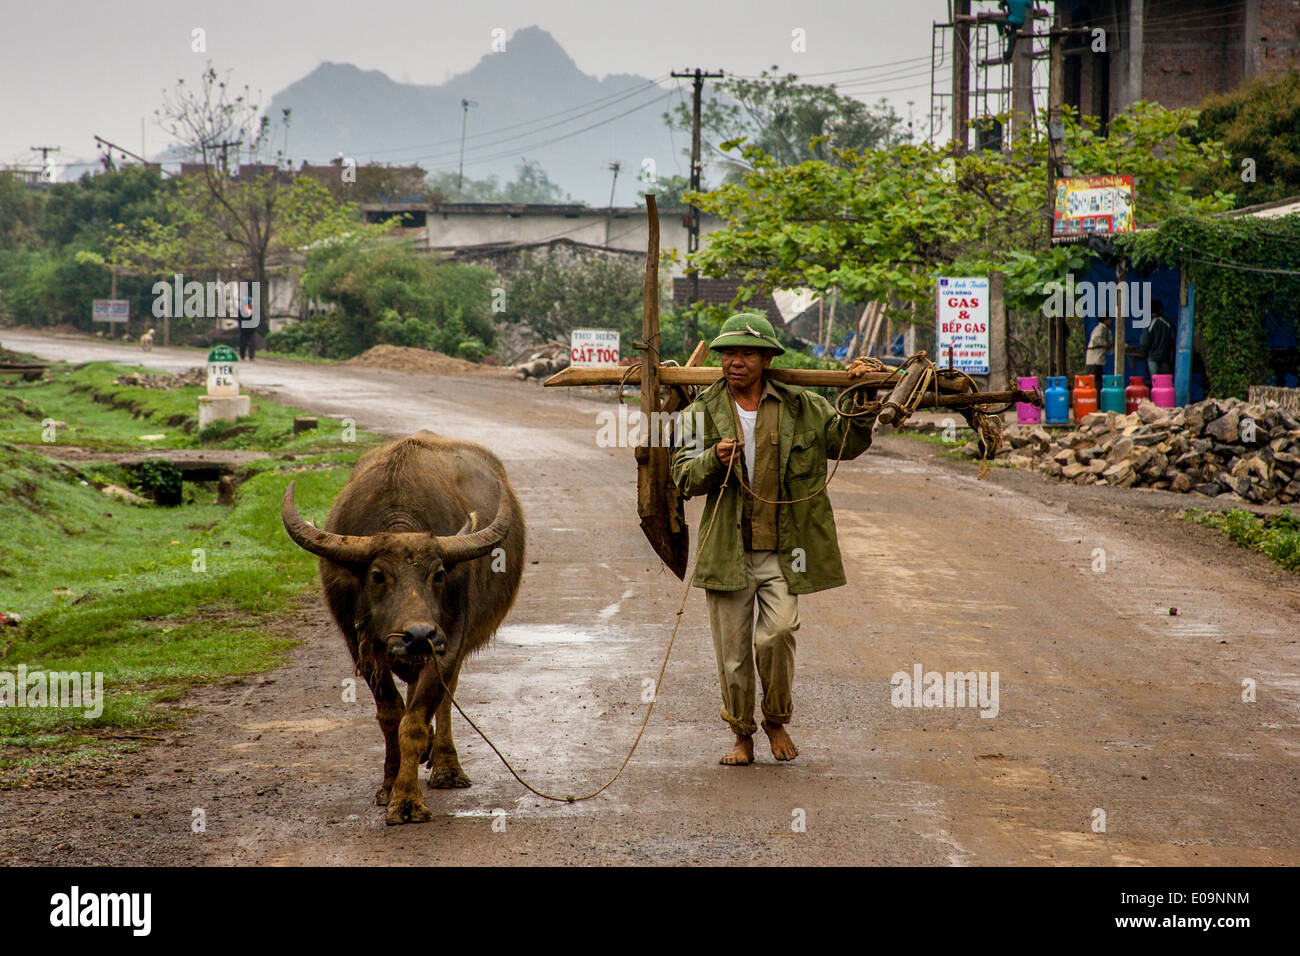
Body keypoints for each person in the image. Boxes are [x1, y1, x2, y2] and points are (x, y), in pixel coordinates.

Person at [669, 312, 878, 766]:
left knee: (779, 633)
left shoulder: (803, 406)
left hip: (786, 551)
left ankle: (776, 719)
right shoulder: (697, 413)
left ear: (767, 358)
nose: (735, 362)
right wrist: (712, 458)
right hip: (728, 551)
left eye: (746, 353)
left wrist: (863, 392)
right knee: (733, 656)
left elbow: (847, 443)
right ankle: (741, 735)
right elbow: (681, 476)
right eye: (728, 353)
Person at [1140, 300, 1175, 377]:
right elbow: (1174, 339)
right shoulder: (1168, 324)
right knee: (1164, 384)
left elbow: (1144, 342)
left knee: (1155, 383)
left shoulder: (1148, 324)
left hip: (1153, 358)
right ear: (1160, 310)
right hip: (1166, 358)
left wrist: (1144, 352)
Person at [1085, 315, 1113, 393]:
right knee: (1094, 381)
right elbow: (1096, 338)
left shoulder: (1106, 330)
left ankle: (1097, 401)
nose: (1111, 321)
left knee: (1098, 381)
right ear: (1105, 320)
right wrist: (1105, 344)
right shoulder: (1100, 328)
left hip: (1098, 360)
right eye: (1110, 319)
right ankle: (1093, 399)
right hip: (1094, 360)